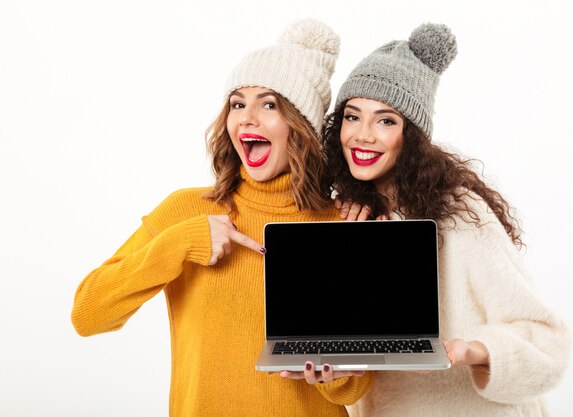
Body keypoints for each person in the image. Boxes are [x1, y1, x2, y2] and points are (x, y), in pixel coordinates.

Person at [71, 19, 373, 417]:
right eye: (237, 103)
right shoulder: (187, 210)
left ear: (300, 128)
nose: (247, 118)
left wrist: (330, 373)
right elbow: (89, 314)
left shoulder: (340, 225)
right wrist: (181, 243)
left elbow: (353, 389)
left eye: (269, 104)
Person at [321, 22, 571, 417]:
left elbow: (547, 343)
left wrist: (473, 349)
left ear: (413, 135)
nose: (362, 135)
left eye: (386, 120)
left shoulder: (460, 216)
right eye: (353, 117)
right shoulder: (348, 216)